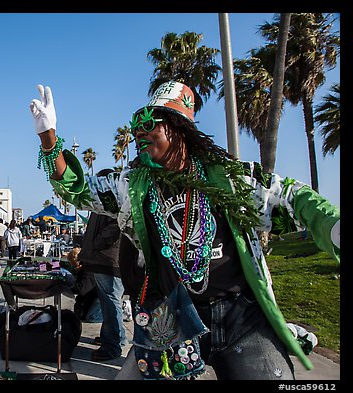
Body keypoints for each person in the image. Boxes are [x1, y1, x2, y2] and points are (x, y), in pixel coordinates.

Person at [28, 82, 340, 380]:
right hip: (172, 316)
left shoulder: (229, 178)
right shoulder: (132, 186)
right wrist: (48, 136)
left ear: (178, 129)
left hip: (241, 318)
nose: (140, 131)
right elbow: (78, 190)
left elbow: (291, 197)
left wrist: (333, 225)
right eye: (137, 124)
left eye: (149, 122)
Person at [77, 204, 127, 362]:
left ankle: (112, 345)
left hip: (108, 259)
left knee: (111, 301)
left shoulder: (113, 193)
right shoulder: (109, 193)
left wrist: (97, 243)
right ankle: (117, 338)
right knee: (111, 301)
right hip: (106, 258)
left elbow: (118, 223)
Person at [68, 246, 102, 323]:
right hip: (94, 296)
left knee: (92, 318)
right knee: (84, 315)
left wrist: (69, 287)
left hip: (98, 298)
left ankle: (121, 309)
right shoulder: (88, 267)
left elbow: (82, 289)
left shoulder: (87, 270)